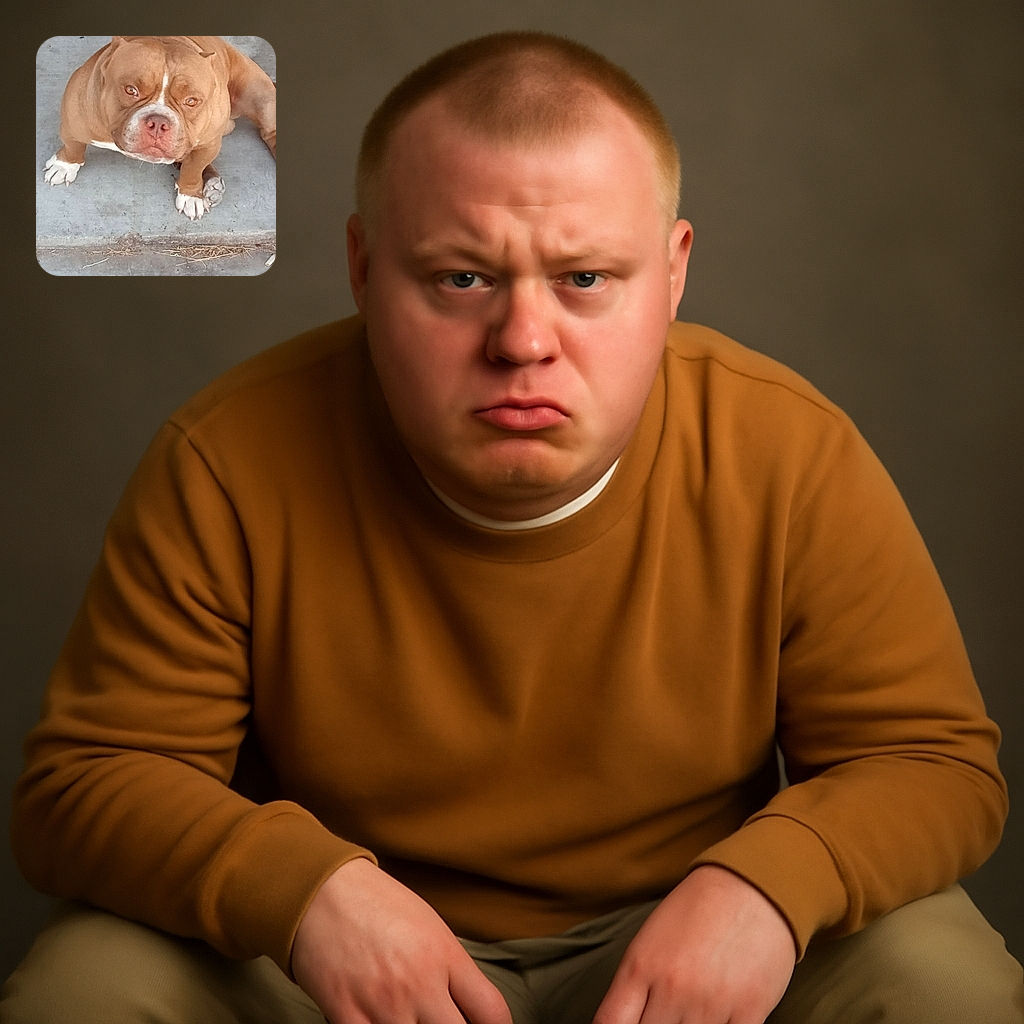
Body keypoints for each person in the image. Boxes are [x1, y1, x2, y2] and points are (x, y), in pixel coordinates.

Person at [2, 30, 1021, 1024]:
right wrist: (304, 891)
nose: (523, 342)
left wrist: (769, 887)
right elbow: (82, 786)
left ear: (672, 274)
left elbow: (932, 761)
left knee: (939, 979)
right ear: (362, 268)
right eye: (462, 278)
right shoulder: (226, 459)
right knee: (87, 984)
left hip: (684, 936)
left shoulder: (790, 450)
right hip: (325, 952)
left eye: (584, 279)